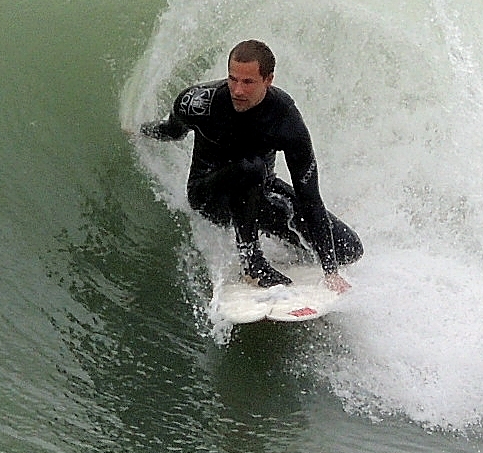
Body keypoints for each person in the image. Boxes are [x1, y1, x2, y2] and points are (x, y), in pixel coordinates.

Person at [138, 40, 362, 292]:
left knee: (348, 249)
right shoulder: (199, 103)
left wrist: (330, 271)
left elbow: (309, 196)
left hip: (259, 197)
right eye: (233, 79)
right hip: (210, 197)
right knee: (251, 168)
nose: (237, 90)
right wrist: (141, 131)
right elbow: (172, 130)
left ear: (268, 80)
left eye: (248, 82)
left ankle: (284, 248)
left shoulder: (285, 119)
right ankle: (252, 262)